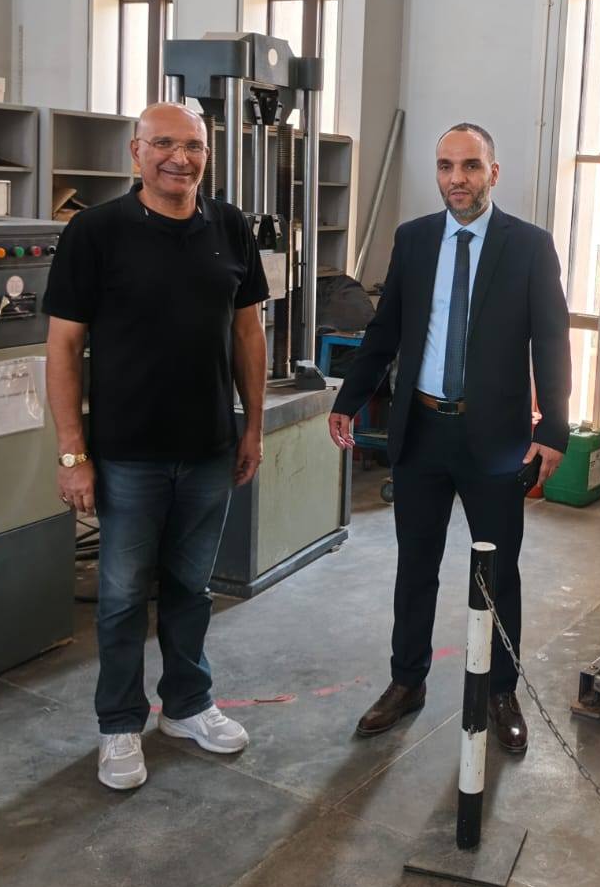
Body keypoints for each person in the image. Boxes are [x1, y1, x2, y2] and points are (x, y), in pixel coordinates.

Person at [44, 102, 269, 791]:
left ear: (207, 154)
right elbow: (63, 345)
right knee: (119, 598)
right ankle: (119, 723)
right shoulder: (95, 231)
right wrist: (73, 454)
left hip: (208, 449)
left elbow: (248, 333)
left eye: (193, 145)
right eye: (164, 144)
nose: (180, 157)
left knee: (191, 589)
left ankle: (187, 706)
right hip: (127, 455)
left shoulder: (230, 226)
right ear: (136, 152)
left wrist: (253, 425)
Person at [328, 123, 571, 752]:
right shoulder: (413, 240)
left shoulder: (529, 246)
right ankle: (406, 682)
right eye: (445, 166)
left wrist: (555, 430)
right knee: (415, 566)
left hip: (496, 438)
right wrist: (350, 398)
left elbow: (551, 341)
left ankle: (500, 692)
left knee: (498, 572)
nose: (456, 179)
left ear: (494, 172)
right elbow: (386, 331)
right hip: (422, 432)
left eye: (469, 166)